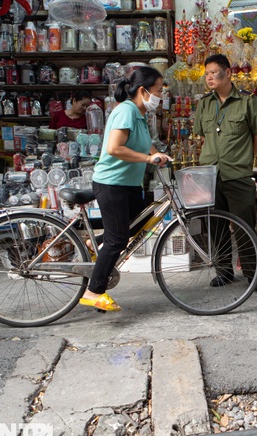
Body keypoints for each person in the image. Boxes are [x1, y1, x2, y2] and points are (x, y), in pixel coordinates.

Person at [79, 67, 171, 311]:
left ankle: (93, 244)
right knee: (118, 239)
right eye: (158, 91)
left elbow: (145, 143)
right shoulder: (126, 111)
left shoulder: (139, 116)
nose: (160, 96)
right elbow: (114, 148)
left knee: (143, 222)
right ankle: (93, 291)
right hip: (112, 184)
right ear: (143, 90)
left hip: (128, 185)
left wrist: (156, 154)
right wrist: (147, 159)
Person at [193, 54, 257, 292]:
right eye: (206, 74)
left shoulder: (248, 102)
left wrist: (244, 158)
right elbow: (202, 137)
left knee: (245, 226)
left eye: (214, 72)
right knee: (214, 226)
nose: (209, 78)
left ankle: (251, 274)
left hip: (237, 175)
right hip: (209, 176)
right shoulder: (204, 103)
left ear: (228, 73)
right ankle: (224, 272)